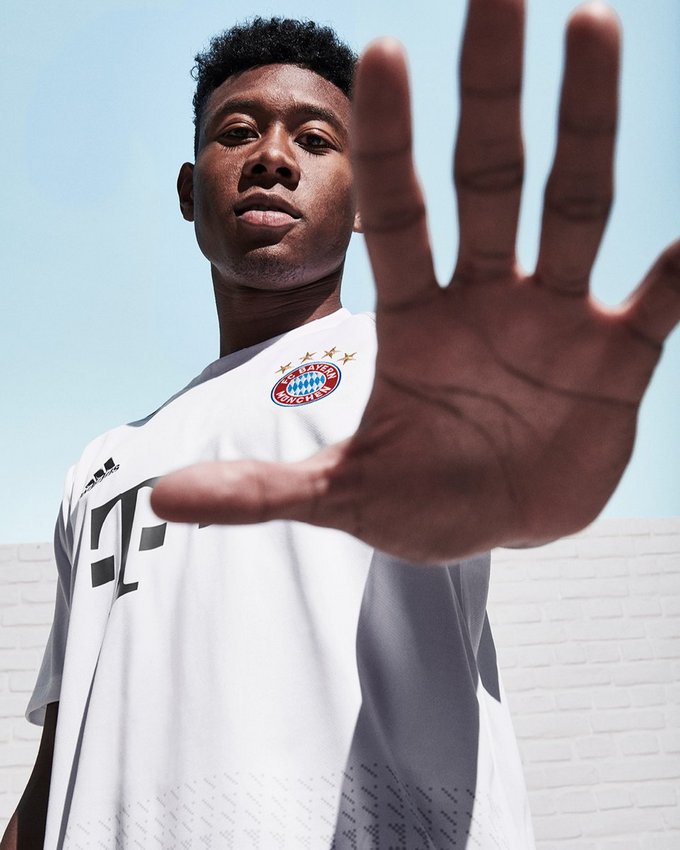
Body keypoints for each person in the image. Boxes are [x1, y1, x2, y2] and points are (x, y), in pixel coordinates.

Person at [5, 1, 679, 848]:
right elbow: (59, 764)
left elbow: (498, 487)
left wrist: (530, 466)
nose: (272, 158)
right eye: (237, 132)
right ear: (187, 190)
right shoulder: (102, 466)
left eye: (315, 140)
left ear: (366, 201)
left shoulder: (409, 373)